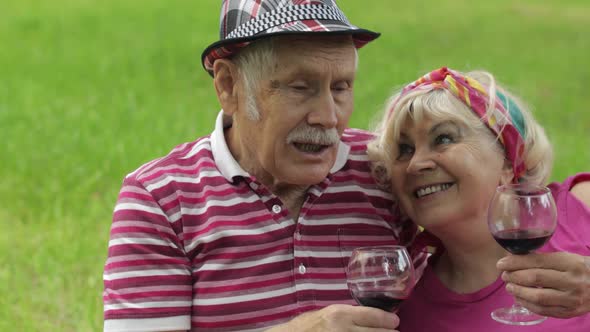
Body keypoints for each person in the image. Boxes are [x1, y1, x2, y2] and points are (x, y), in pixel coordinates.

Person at [102, 1, 417, 331]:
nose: (328, 116)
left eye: (340, 88)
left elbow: (470, 274)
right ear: (229, 86)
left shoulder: (384, 171)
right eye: (300, 87)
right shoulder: (161, 199)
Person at [367, 66, 590, 331]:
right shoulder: (412, 314)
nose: (416, 164)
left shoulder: (580, 206)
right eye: (404, 150)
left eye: (443, 138)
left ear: (507, 161)